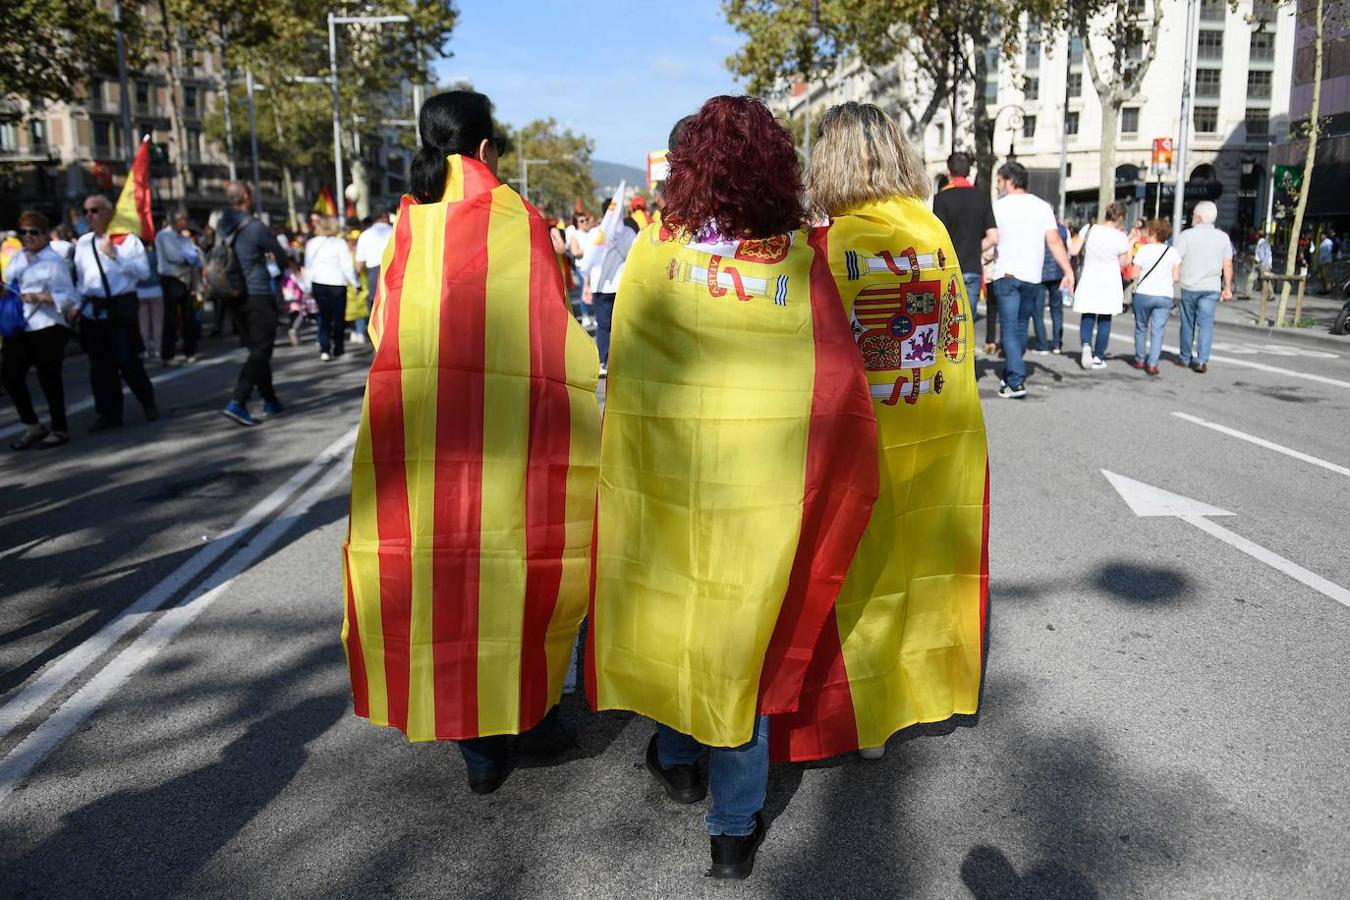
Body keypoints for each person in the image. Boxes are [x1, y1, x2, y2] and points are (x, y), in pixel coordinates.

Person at [591, 96, 878, 880]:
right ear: (772, 169)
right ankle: (731, 829)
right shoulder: (796, 262)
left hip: (668, 489)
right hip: (763, 497)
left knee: (679, 626)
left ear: (689, 172)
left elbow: (630, 375)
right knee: (741, 650)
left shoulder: (655, 251)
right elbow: (835, 384)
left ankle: (680, 758)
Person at [341, 90, 600, 797]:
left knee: (441, 578)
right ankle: (532, 720)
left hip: (424, 439)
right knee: (515, 575)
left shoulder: (407, 227)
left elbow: (380, 330)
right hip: (508, 439)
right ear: (485, 149)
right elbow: (551, 329)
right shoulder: (516, 219)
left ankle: (477, 746)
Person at [778, 102, 988, 766]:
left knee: (854, 579)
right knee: (919, 572)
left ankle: (858, 713)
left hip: (856, 446)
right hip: (937, 433)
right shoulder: (930, 233)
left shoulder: (826, 246)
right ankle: (906, 698)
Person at [73, 193, 158, 431]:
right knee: (100, 366)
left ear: (109, 213)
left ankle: (146, 399)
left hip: (121, 307)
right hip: (94, 309)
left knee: (127, 360)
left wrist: (116, 256)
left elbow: (142, 272)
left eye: (95, 210)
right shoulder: (83, 243)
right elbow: (82, 279)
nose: (89, 215)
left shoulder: (126, 240)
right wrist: (76, 305)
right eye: (86, 211)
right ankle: (109, 414)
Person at [991, 161, 1074, 398]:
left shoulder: (999, 207)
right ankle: (1010, 376)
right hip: (1032, 277)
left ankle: (1016, 380)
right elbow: (1054, 241)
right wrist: (1068, 270)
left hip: (1006, 274)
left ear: (1009, 180)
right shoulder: (1042, 207)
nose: (998, 186)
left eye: (999, 181)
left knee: (1008, 328)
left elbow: (992, 238)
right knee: (1019, 327)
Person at [216, 180, 290, 425]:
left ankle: (270, 400)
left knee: (256, 349)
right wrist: (278, 273)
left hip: (232, 293)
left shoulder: (222, 225)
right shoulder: (255, 226)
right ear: (247, 196)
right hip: (257, 293)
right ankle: (238, 400)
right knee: (262, 349)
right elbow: (280, 255)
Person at [3, 211, 79, 448]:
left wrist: (41, 297)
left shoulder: (54, 262)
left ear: (46, 235)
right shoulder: (17, 258)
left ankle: (59, 429)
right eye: (23, 232)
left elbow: (68, 297)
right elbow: (10, 285)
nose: (28, 236)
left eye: (33, 232)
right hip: (19, 325)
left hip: (47, 326)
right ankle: (32, 425)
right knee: (10, 377)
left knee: (49, 378)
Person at [933, 151, 997, 331]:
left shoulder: (941, 198)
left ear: (948, 171)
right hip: (973, 268)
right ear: (969, 172)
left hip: (949, 269)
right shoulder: (981, 198)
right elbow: (993, 237)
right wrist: (976, 248)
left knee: (948, 325)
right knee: (967, 324)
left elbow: (938, 236)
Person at [1069, 202, 1132, 371]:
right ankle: (1098, 356)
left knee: (1088, 314)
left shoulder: (1089, 229)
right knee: (1105, 318)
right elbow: (1124, 262)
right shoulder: (1121, 237)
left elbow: (1074, 250)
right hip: (1110, 280)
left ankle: (1086, 346)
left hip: (1090, 276)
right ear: (1120, 218)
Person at [1174, 200, 1233, 374]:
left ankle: (1185, 357)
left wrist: (1174, 279)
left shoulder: (1186, 235)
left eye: (1193, 215)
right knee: (1206, 324)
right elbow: (1227, 264)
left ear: (1198, 218)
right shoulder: (1223, 237)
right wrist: (1227, 286)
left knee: (1187, 323)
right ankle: (1202, 360)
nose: (1192, 217)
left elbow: (1176, 259)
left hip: (1189, 285)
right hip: (1211, 287)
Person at [579, 199, 637, 375]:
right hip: (613, 286)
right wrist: (586, 286)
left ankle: (605, 362)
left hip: (608, 286)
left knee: (605, 326)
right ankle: (613, 361)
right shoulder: (625, 232)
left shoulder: (598, 232)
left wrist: (586, 286)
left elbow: (587, 262)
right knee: (617, 325)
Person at [1128, 218, 1181, 376]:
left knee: (1141, 327)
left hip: (1144, 294)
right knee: (1158, 330)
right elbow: (1177, 277)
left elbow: (1134, 274)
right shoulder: (1172, 252)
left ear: (1153, 233)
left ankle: (1139, 359)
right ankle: (1152, 364)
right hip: (1163, 295)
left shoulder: (1144, 250)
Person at [304, 216, 357, 362]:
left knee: (323, 317)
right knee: (338, 318)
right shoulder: (340, 243)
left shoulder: (311, 243)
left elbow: (309, 267)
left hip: (318, 283)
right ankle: (338, 348)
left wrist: (307, 286)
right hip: (338, 283)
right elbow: (346, 266)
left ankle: (324, 348)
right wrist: (355, 283)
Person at [156, 208, 202, 366]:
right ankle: (167, 354)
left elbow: (196, 253)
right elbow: (175, 256)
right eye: (183, 219)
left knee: (189, 316)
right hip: (171, 279)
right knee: (171, 318)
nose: (186, 222)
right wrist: (189, 256)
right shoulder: (164, 236)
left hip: (187, 280)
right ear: (174, 220)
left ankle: (190, 350)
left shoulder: (184, 237)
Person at [353, 210, 393, 342]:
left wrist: (357, 279)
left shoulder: (365, 235)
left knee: (375, 305)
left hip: (374, 273)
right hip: (394, 270)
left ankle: (378, 340)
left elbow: (359, 265)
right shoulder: (394, 230)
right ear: (384, 216)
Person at [1036, 216, 1071, 353]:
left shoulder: (1038, 228)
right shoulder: (1063, 230)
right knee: (1056, 309)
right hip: (1058, 273)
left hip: (1040, 272)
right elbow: (1068, 251)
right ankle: (1057, 343)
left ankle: (1042, 343)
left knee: (1037, 310)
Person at [1318, 229, 1336, 294]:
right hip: (1322, 262)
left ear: (1325, 235)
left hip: (1327, 261)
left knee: (1327, 276)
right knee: (1322, 276)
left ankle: (1328, 289)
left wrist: (1323, 257)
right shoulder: (1322, 243)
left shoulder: (1328, 242)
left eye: (1322, 235)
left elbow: (1328, 251)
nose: (1321, 237)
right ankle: (1324, 289)